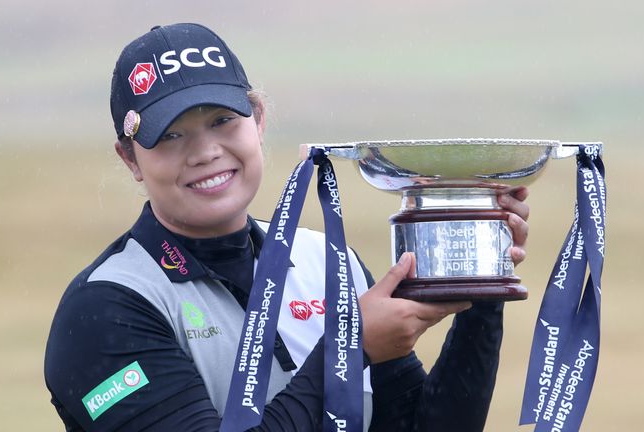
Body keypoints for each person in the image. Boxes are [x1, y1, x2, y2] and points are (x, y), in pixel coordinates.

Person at [44, 23, 531, 431]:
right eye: (170, 135)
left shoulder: (325, 262)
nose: (205, 151)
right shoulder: (107, 308)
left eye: (221, 120)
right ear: (130, 158)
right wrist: (351, 345)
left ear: (257, 120)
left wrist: (480, 287)